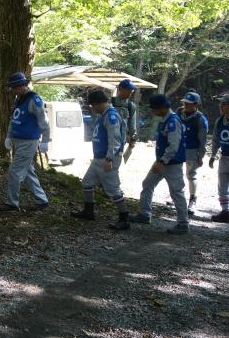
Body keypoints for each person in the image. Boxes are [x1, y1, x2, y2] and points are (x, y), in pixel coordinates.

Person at [130, 94, 189, 234]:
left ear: (162, 107)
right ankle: (145, 214)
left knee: (176, 192)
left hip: (171, 164)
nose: (153, 111)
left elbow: (174, 146)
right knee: (147, 184)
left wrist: (162, 161)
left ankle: (183, 223)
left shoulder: (173, 121)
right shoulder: (165, 120)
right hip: (161, 162)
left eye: (155, 108)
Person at [71, 90, 129, 230]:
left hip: (108, 159)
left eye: (93, 105)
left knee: (113, 189)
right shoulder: (102, 115)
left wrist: (109, 158)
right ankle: (88, 212)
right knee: (87, 182)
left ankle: (124, 218)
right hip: (98, 158)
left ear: (98, 103)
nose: (92, 108)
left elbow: (114, 139)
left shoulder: (111, 116)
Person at [2, 72, 50, 211]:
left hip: (28, 142)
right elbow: (15, 119)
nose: (12, 90)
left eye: (14, 87)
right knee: (28, 171)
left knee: (14, 171)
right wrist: (9, 136)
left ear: (23, 86)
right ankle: (42, 200)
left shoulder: (34, 100)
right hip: (17, 141)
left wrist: (45, 140)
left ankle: (12, 203)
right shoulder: (19, 99)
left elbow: (44, 122)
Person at [176, 91, 208, 216]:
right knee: (176, 174)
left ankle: (192, 200)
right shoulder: (179, 113)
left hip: (192, 150)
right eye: (185, 103)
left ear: (196, 104)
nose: (186, 105)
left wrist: (201, 156)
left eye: (189, 103)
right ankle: (179, 200)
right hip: (178, 149)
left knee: (191, 175)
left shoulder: (200, 119)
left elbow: (203, 140)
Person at [209, 95, 229, 223]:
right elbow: (215, 140)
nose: (220, 106)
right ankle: (225, 212)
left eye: (224, 104)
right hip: (224, 158)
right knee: (222, 186)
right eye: (220, 104)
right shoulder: (220, 121)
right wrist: (212, 156)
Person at [112, 79, 138, 148]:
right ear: (121, 88)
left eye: (132, 89)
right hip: (107, 141)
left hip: (120, 143)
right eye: (128, 89)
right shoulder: (110, 103)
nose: (131, 91)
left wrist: (133, 139)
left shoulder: (131, 106)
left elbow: (132, 126)